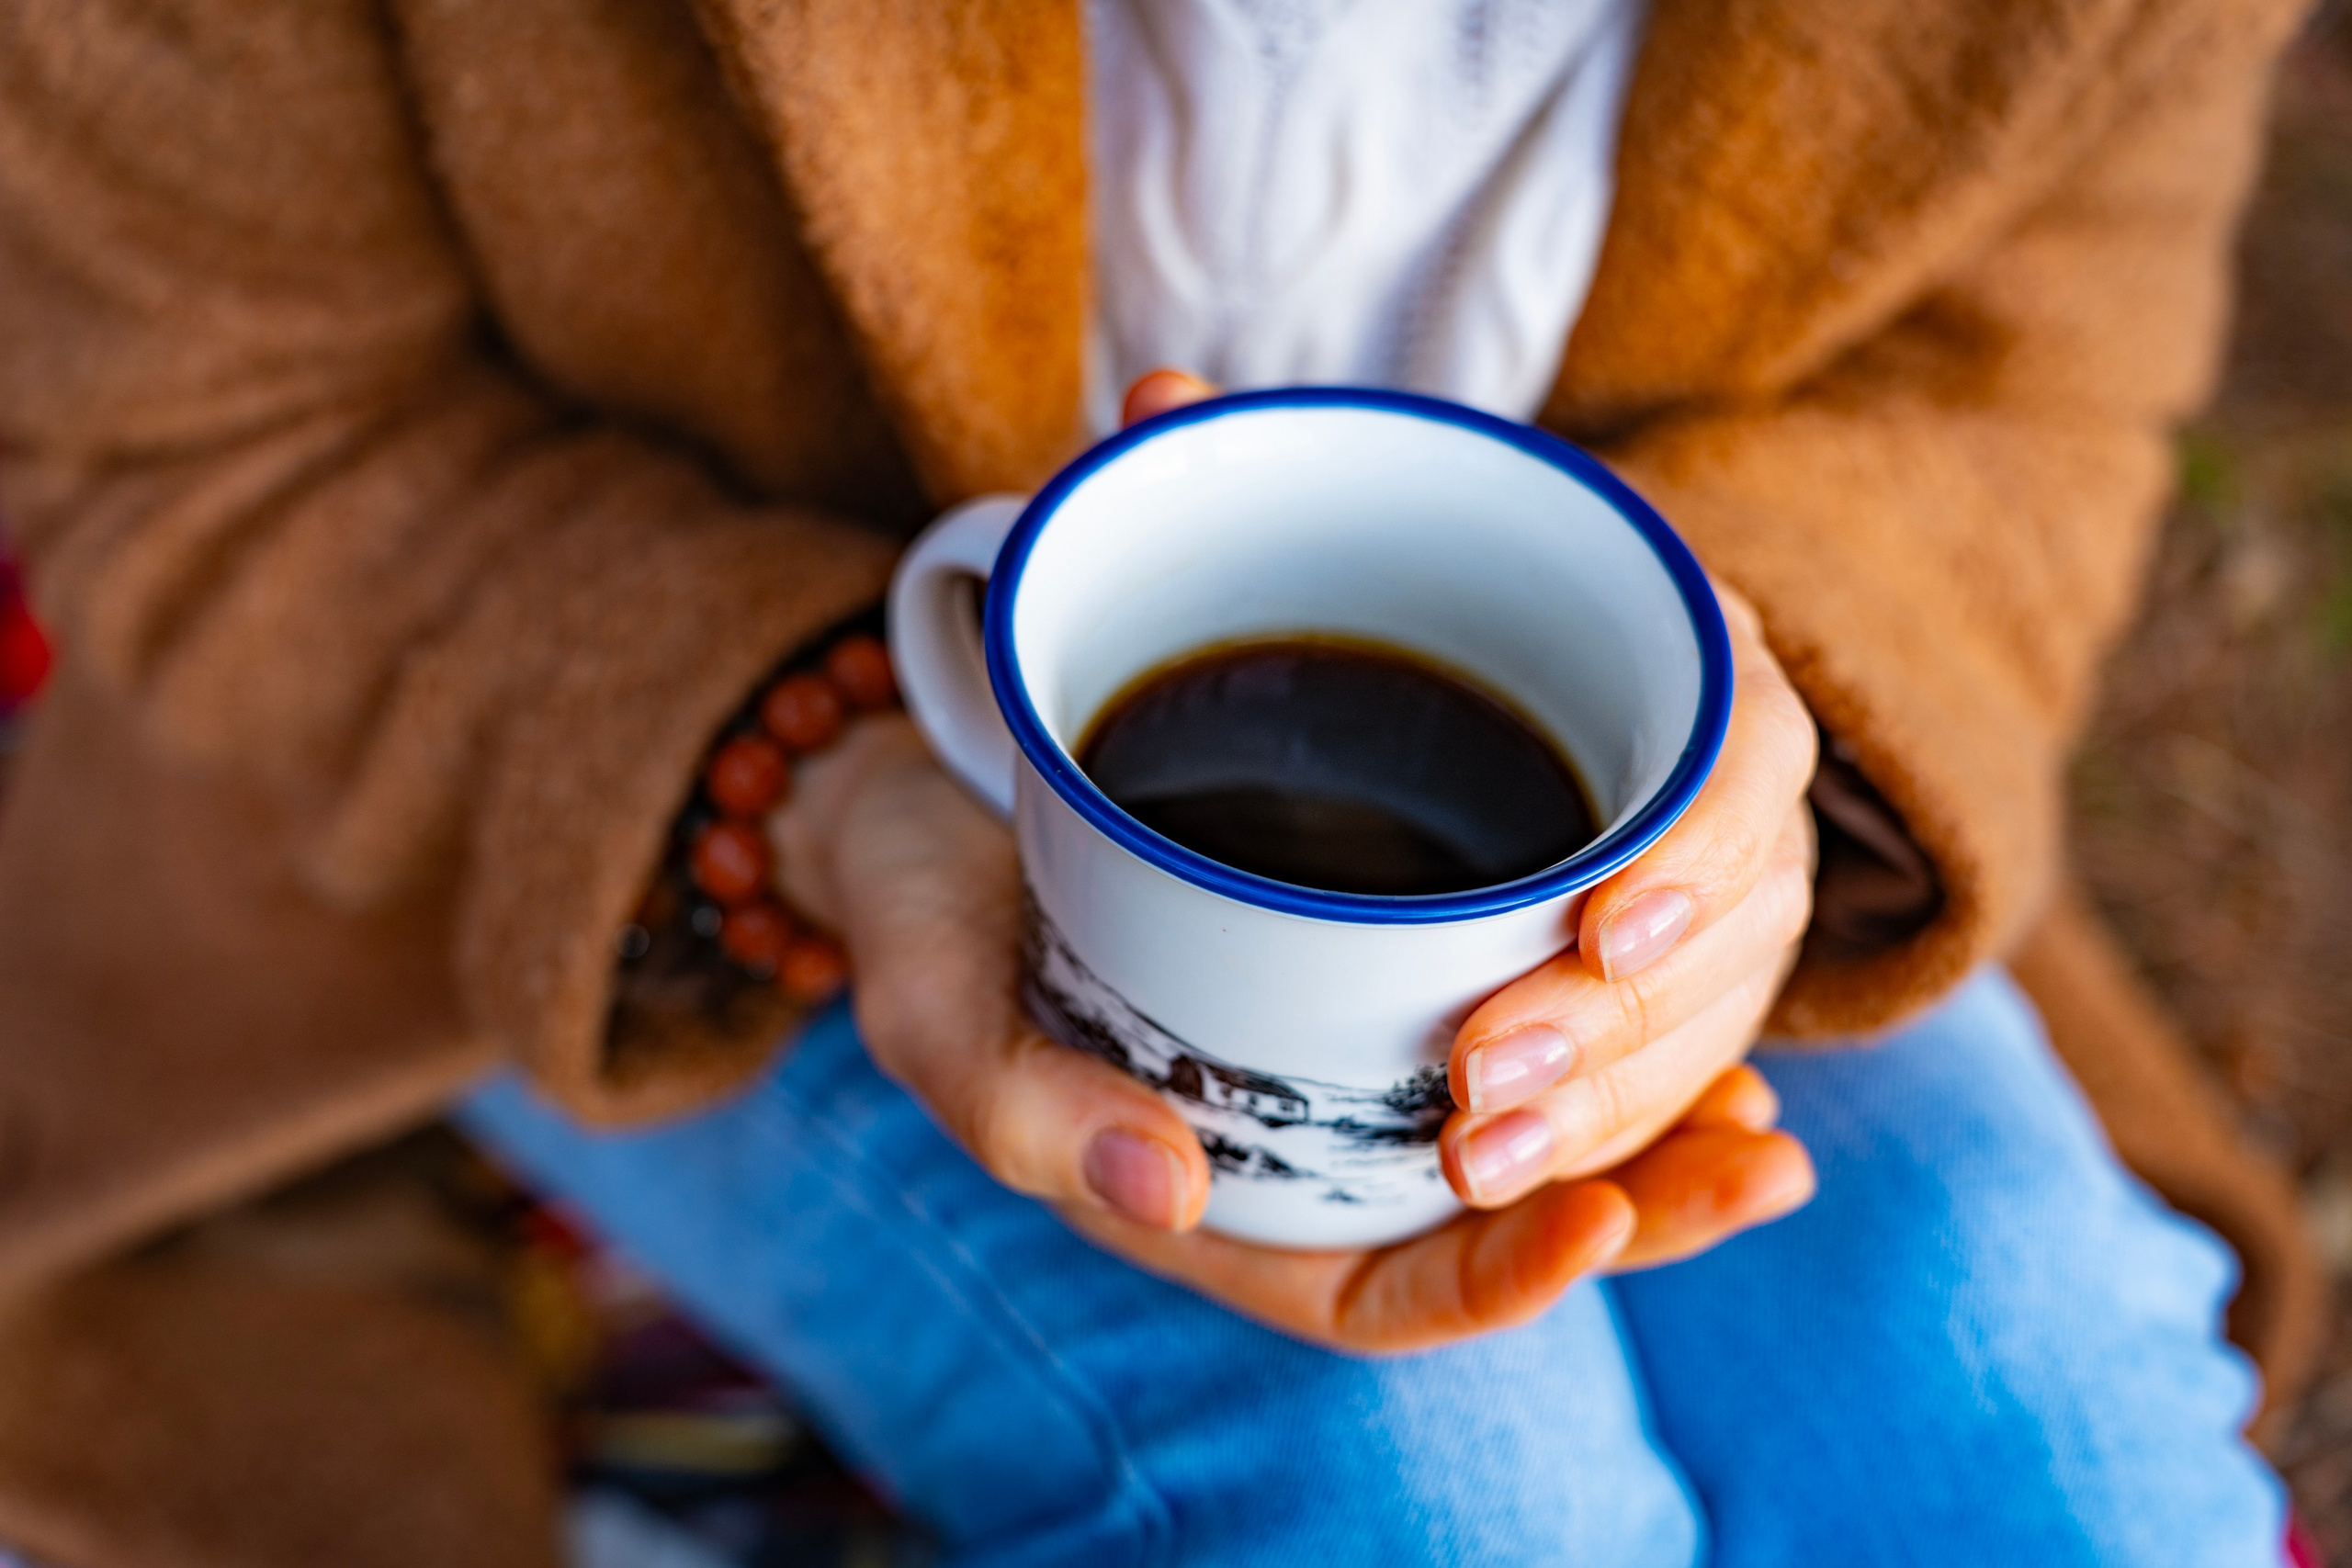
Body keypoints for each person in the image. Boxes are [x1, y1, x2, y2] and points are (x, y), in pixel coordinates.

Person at [0, 0, 2313, 1562]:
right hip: (555, 773)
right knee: (1417, 1484)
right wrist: (809, 774)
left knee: (2018, 1385)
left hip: (1618, 855)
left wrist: (1760, 746)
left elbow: (2022, 373)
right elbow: (222, 439)